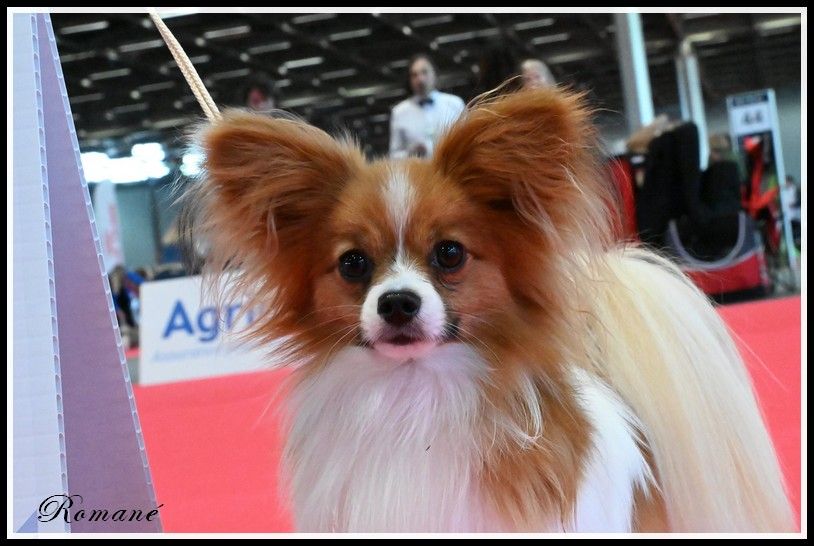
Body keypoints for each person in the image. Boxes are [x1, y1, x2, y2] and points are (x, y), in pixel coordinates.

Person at [389, 54, 465, 159]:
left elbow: (467, 142)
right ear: (409, 80)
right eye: (414, 75)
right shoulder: (399, 112)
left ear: (434, 74)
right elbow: (393, 155)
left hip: (452, 170)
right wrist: (410, 153)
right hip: (418, 172)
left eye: (424, 72)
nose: (420, 79)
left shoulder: (455, 104)